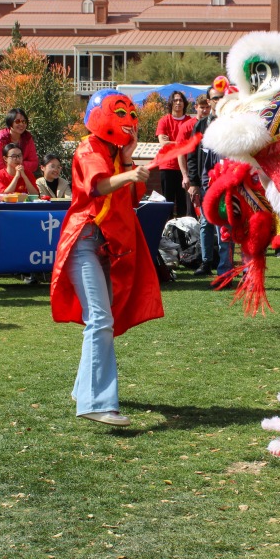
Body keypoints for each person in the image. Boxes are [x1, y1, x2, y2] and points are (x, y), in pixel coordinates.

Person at [51, 89, 164, 426]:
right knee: (100, 319)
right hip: (84, 241)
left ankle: (84, 390)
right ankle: (96, 403)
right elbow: (97, 187)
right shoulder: (89, 148)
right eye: (121, 113)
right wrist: (128, 173)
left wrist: (128, 160)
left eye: (131, 113)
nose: (128, 120)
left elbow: (129, 199)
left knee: (100, 320)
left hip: (103, 245)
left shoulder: (115, 152)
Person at [187, 80, 234, 277]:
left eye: (223, 97)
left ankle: (225, 269)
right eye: (216, 98)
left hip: (228, 182)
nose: (220, 101)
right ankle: (206, 262)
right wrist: (195, 183)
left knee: (225, 226)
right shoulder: (201, 125)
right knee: (206, 224)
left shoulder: (232, 122)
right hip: (207, 183)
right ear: (209, 101)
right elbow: (192, 155)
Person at [156, 90, 196, 217]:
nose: (178, 103)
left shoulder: (191, 121)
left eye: (180, 100)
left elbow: (193, 143)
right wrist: (183, 142)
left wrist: (172, 142)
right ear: (171, 103)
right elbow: (163, 142)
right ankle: (168, 233)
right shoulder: (164, 121)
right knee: (167, 203)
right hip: (167, 167)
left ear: (184, 103)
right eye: (175, 100)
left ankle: (182, 235)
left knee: (184, 205)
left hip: (185, 168)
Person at [0, 108, 39, 191]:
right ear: (10, 123)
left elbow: (34, 164)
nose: (21, 124)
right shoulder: (0, 138)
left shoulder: (28, 138)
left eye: (24, 121)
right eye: (17, 121)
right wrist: (17, 165)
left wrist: (15, 165)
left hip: (21, 181)